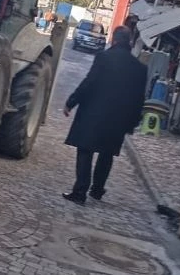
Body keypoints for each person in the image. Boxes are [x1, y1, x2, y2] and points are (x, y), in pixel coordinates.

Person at [62, 26, 147, 205]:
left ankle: (80, 192)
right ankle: (97, 190)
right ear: (130, 42)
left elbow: (89, 83)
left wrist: (71, 102)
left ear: (114, 40)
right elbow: (139, 99)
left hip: (93, 114)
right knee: (106, 153)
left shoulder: (104, 58)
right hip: (118, 120)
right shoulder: (139, 68)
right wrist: (131, 123)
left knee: (85, 150)